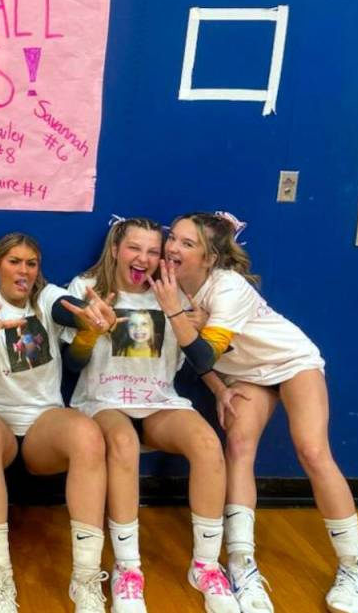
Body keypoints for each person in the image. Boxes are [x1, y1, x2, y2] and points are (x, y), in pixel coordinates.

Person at [163, 212, 358, 613]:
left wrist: (178, 314)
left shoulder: (228, 287)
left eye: (187, 244)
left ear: (210, 257)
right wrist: (220, 388)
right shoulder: (169, 283)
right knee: (238, 447)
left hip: (290, 361)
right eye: (173, 237)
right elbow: (201, 359)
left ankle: (355, 566)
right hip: (244, 374)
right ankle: (242, 564)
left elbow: (204, 354)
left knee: (312, 451)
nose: (173, 247)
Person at [68, 217, 236, 613]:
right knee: (123, 442)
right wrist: (90, 331)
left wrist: (219, 388)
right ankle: (128, 570)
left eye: (152, 251)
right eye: (134, 248)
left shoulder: (174, 294)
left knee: (207, 443)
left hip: (159, 400)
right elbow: (73, 363)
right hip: (103, 400)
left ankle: (206, 567)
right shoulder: (86, 288)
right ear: (115, 249)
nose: (143, 258)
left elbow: (199, 357)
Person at [0, 232, 117, 613]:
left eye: (31, 264)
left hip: (42, 423)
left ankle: (86, 579)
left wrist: (89, 320)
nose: (23, 271)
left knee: (88, 435)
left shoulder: (46, 298)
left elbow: (66, 313)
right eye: (14, 261)